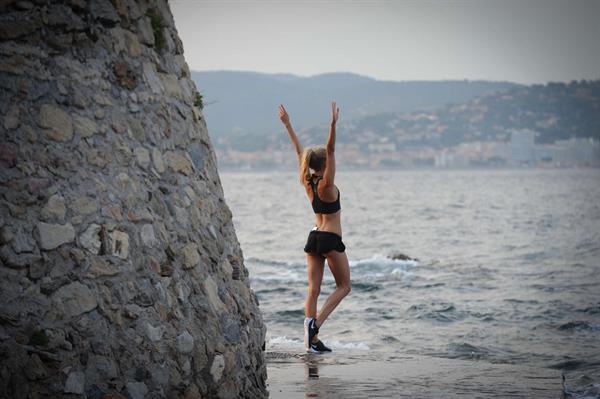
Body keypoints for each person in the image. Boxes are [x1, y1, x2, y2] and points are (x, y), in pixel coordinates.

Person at [278, 102, 352, 353]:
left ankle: (312, 342)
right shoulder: (327, 187)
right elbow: (330, 150)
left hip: (313, 237)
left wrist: (288, 125)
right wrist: (332, 125)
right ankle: (316, 326)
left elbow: (299, 153)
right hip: (330, 239)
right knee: (344, 287)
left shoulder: (308, 183)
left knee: (313, 290)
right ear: (324, 166)